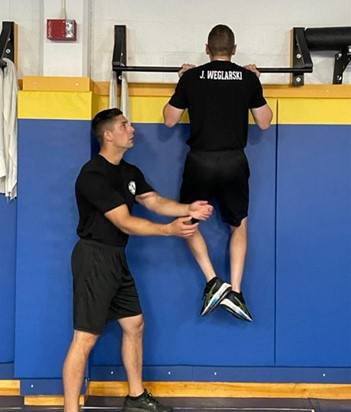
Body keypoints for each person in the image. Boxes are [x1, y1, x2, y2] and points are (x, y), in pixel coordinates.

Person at [62, 108, 213, 412]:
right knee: (86, 337)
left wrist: (188, 208)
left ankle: (135, 398)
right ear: (108, 135)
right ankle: (70, 409)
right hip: (94, 257)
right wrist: (169, 230)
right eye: (124, 125)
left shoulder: (129, 172)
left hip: (116, 257)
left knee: (134, 323)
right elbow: (125, 222)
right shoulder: (92, 174)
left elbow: (153, 200)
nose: (131, 129)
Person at [163, 24, 273, 322]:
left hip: (200, 161)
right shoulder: (247, 78)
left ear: (207, 49)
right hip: (234, 161)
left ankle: (213, 281)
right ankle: (235, 291)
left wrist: (182, 80)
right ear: (234, 50)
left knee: (186, 221)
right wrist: (255, 82)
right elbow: (265, 122)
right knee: (239, 225)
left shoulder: (193, 77)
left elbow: (169, 120)